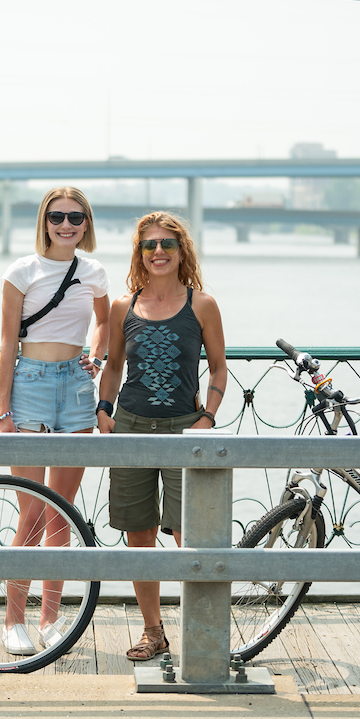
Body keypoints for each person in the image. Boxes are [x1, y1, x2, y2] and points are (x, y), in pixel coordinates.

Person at [95, 211, 226, 661]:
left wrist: (207, 416)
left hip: (183, 430)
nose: (158, 252)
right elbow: (113, 367)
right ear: (140, 253)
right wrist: (104, 408)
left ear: (181, 251)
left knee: (187, 533)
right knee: (139, 534)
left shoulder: (202, 304)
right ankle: (154, 631)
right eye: (149, 245)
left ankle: (201, 628)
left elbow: (218, 368)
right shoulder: (122, 307)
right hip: (130, 426)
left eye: (167, 244)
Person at [0, 186, 110, 656]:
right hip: (32, 384)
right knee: (32, 511)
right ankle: (13, 619)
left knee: (63, 510)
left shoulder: (94, 272)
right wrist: (3, 410)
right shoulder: (22, 271)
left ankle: (50, 619)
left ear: (86, 223)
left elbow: (104, 324)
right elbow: (6, 342)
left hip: (77, 389)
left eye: (75, 217)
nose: (67, 225)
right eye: (58, 216)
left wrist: (97, 357)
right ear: (45, 221)